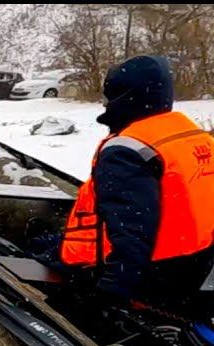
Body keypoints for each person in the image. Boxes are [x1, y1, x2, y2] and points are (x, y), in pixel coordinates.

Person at [54, 55, 214, 315]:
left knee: (39, 252)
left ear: (124, 97)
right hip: (191, 263)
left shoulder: (127, 150)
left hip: (143, 274)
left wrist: (111, 293)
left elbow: (133, 232)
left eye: (108, 95)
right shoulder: (192, 137)